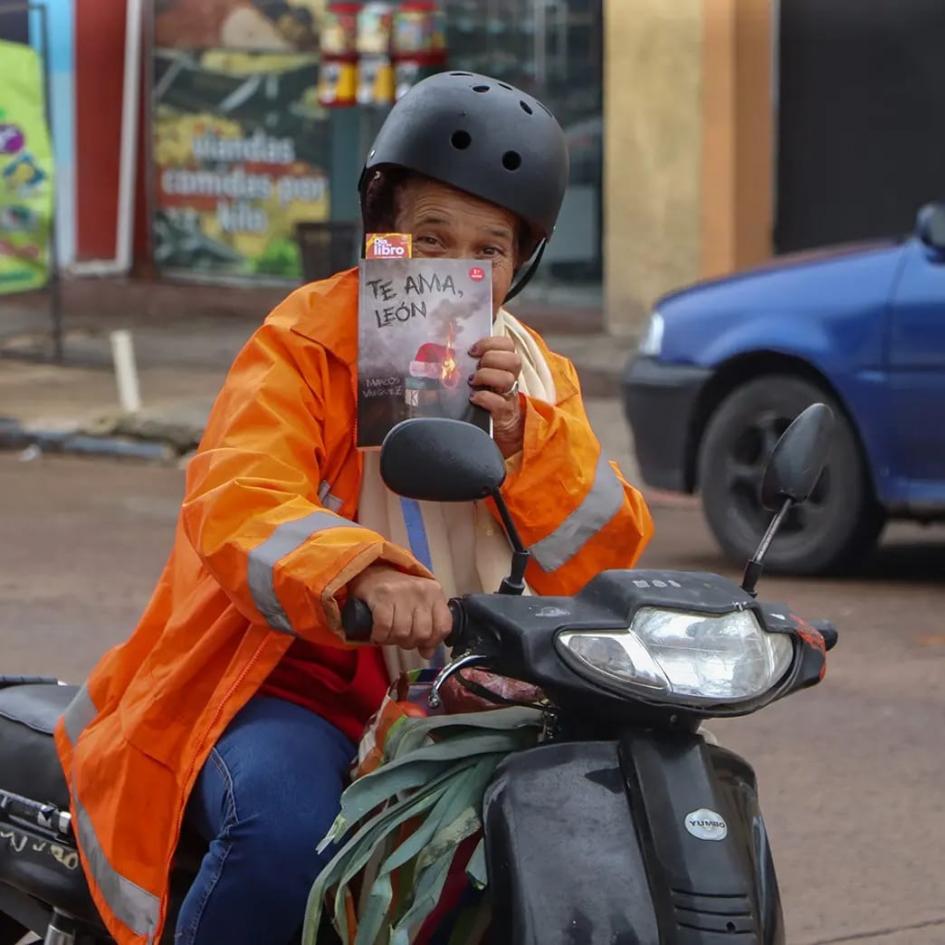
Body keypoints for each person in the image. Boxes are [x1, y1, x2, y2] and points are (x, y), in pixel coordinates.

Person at [54, 72, 653, 945]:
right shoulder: (304, 338)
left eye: (489, 249)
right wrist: (358, 569)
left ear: (518, 265)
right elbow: (237, 494)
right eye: (431, 235)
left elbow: (604, 553)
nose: (460, 265)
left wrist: (531, 449)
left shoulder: (537, 377)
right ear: (384, 236)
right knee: (287, 837)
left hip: (463, 692)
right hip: (281, 683)